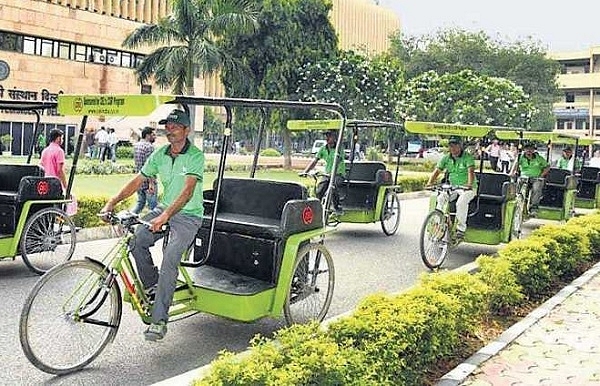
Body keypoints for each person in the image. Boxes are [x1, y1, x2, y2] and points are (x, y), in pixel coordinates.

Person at [101, 109, 204, 341]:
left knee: (170, 258)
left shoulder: (195, 156)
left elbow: (187, 192)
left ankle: (159, 321)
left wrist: (166, 215)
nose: (169, 130)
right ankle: (152, 286)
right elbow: (138, 180)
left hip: (188, 216)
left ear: (186, 130)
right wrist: (112, 202)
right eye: (167, 126)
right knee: (137, 239)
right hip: (163, 210)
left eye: (174, 127)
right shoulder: (160, 154)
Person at [426, 137, 476, 240]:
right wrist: (429, 183)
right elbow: (437, 171)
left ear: (460, 146)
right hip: (453, 187)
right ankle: (438, 224)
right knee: (441, 198)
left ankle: (461, 229)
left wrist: (469, 185)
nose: (453, 148)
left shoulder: (467, 157)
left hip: (468, 188)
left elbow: (470, 171)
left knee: (461, 202)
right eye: (451, 146)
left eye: (455, 145)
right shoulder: (446, 158)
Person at [301, 130, 346, 214]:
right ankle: (317, 209)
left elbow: (338, 161)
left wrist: (333, 173)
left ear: (335, 137)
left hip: (338, 174)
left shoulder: (339, 149)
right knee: (319, 190)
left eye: (329, 136)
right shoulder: (323, 148)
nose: (327, 138)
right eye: (326, 136)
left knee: (333, 185)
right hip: (327, 174)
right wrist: (305, 171)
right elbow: (315, 161)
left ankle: (337, 207)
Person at [511, 142, 550, 214]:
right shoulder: (520, 157)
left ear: (533, 150)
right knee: (517, 184)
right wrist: (512, 173)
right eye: (527, 149)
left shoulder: (539, 158)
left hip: (536, 178)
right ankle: (517, 201)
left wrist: (541, 175)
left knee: (537, 187)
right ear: (524, 149)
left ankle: (533, 208)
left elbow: (547, 167)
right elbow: (515, 165)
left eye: (531, 149)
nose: (529, 150)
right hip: (524, 177)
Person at [131, 126, 158, 214]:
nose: (155, 137)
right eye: (153, 135)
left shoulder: (137, 145)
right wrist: (151, 183)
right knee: (153, 207)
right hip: (148, 181)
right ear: (148, 135)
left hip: (139, 180)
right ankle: (153, 226)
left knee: (140, 203)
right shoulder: (149, 147)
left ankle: (127, 220)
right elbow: (149, 167)